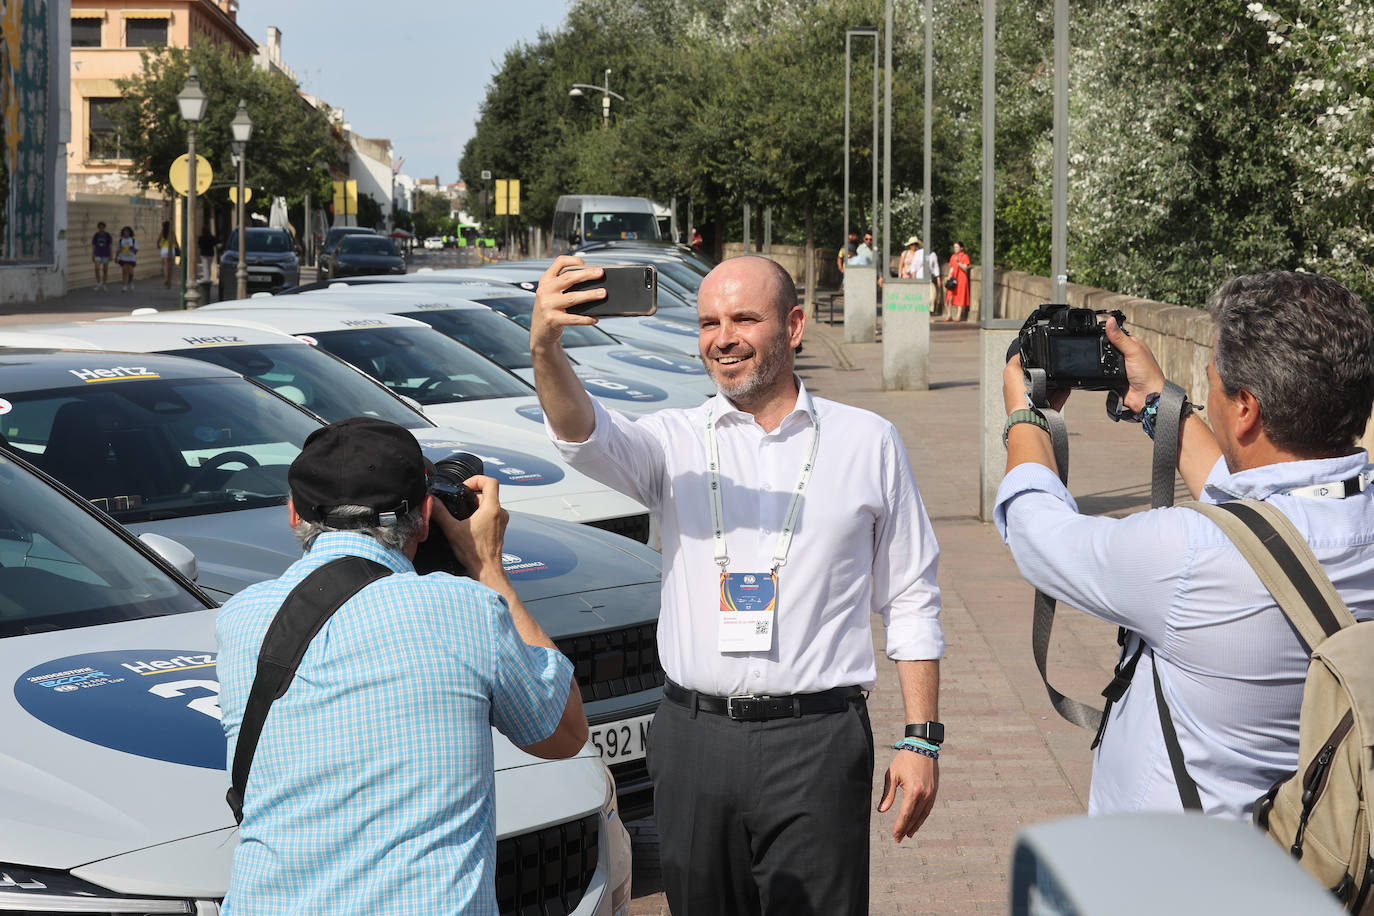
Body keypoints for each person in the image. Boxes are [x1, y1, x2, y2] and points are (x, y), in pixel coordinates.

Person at [530, 254, 943, 915]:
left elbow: (911, 595)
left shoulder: (869, 442)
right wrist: (546, 349)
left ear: (795, 325)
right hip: (695, 739)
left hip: (817, 739)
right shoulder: (673, 440)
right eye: (707, 322)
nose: (723, 338)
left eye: (745, 318)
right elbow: (582, 434)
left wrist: (921, 737)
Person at [997, 270, 1374, 819]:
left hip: (1180, 874)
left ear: (1245, 408)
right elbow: (1268, 519)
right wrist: (1156, 403)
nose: (1206, 398)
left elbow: (1040, 536)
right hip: (1321, 867)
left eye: (1212, 384)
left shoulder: (1188, 554)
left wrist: (1026, 417)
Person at [215, 417, 587, 914]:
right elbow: (563, 734)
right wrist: (486, 566)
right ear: (427, 513)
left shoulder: (240, 617)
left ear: (292, 513)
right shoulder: (464, 609)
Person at [944, 241, 970, 321]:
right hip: (953, 279)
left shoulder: (965, 256)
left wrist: (959, 262)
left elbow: (965, 268)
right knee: (949, 296)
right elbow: (951, 267)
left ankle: (958, 316)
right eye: (954, 247)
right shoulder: (953, 256)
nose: (955, 249)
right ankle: (949, 315)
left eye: (957, 247)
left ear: (961, 248)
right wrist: (949, 276)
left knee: (960, 297)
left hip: (962, 279)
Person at [115, 226, 138, 292]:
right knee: (124, 271)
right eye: (124, 232)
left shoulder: (133, 240)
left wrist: (132, 248)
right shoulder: (121, 240)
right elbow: (118, 250)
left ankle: (130, 281)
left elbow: (136, 251)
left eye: (127, 232)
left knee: (131, 272)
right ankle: (124, 286)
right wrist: (116, 257)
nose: (126, 233)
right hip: (123, 258)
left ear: (130, 233)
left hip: (131, 258)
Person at [91, 221, 112, 291]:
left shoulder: (107, 235)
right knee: (96, 268)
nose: (101, 228)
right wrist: (93, 254)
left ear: (104, 227)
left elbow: (110, 245)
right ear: (98, 228)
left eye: (102, 227)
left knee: (105, 270)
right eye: (100, 227)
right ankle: (98, 283)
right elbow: (94, 245)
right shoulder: (96, 235)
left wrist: (111, 254)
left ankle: (104, 284)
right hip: (98, 253)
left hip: (106, 254)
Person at [158, 220, 177, 288]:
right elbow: (175, 241)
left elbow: (158, 240)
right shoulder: (172, 232)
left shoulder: (162, 232)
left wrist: (158, 245)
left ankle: (166, 279)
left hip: (164, 249)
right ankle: (169, 279)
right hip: (171, 250)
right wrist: (177, 247)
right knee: (170, 265)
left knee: (165, 265)